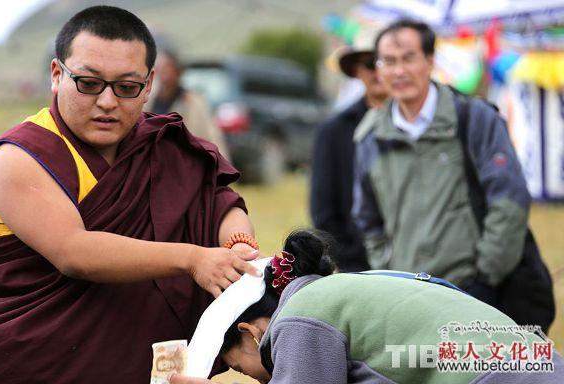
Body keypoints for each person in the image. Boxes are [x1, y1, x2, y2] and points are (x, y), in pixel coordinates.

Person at [0, 6, 261, 384]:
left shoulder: (164, 144)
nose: (108, 102)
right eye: (89, 83)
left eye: (127, 87)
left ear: (149, 86)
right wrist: (193, 258)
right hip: (28, 363)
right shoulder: (18, 158)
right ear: (56, 75)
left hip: (140, 363)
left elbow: (219, 203)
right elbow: (74, 251)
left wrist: (237, 244)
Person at [352, 20, 553, 330]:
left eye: (408, 58)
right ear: (378, 69)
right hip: (412, 300)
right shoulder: (370, 137)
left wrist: (485, 278)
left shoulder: (475, 119)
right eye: (388, 61)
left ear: (430, 61)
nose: (399, 71)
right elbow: (368, 220)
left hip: (483, 294)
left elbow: (509, 201)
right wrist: (391, 273)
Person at [170, 230, 564, 383]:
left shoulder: (298, 317)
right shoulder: (355, 287)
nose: (256, 379)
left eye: (240, 367)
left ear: (251, 332)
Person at [309, 37, 388, 272]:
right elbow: (324, 211)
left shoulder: (423, 126)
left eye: (386, 61)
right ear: (357, 71)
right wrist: (351, 258)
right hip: (360, 267)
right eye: (370, 63)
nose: (378, 71)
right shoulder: (333, 131)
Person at [146, 47, 230, 159]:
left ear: (179, 72)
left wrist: (223, 169)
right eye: (161, 69)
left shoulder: (193, 102)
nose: (164, 74)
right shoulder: (148, 99)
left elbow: (212, 137)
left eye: (168, 68)